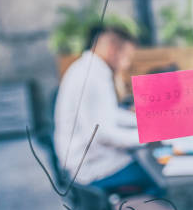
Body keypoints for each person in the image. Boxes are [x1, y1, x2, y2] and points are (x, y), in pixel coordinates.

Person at [54, 24, 156, 194]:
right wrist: (149, 136)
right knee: (154, 173)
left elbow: (108, 114)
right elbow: (102, 134)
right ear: (112, 50)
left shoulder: (87, 68)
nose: (127, 64)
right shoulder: (92, 77)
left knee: (147, 159)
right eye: (127, 56)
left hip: (82, 162)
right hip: (92, 170)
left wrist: (143, 120)